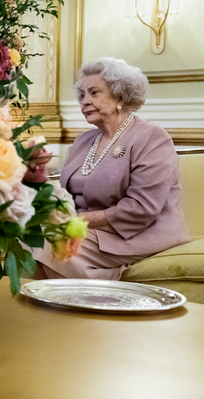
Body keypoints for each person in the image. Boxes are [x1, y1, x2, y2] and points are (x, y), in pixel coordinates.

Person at [31, 57, 189, 280]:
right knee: (27, 237)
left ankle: (88, 301)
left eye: (94, 93)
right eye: (82, 95)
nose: (84, 101)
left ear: (120, 97)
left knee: (50, 243)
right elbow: (65, 196)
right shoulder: (83, 141)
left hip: (135, 233)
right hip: (87, 230)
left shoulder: (151, 137)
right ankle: (60, 306)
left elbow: (142, 207)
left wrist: (78, 221)